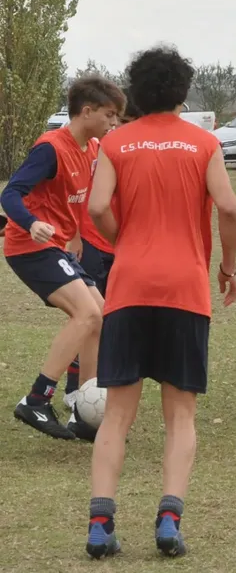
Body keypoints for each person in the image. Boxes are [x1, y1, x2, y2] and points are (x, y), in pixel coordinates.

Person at [85, 45, 236, 559]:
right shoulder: (203, 143)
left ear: (136, 91)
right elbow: (229, 206)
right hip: (185, 288)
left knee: (116, 415)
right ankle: (169, 519)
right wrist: (227, 267)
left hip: (129, 286)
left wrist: (122, 241)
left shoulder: (115, 142)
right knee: (180, 414)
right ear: (181, 91)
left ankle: (100, 524)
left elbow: (98, 206)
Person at [1, 76, 124, 441]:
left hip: (54, 247)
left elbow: (70, 201)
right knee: (86, 314)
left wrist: (73, 237)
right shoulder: (51, 149)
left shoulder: (91, 148)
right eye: (109, 114)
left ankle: (85, 413)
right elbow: (11, 195)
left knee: (100, 316)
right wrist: (32, 222)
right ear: (86, 112)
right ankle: (36, 400)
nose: (113, 122)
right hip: (29, 247)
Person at [62, 91, 143, 415]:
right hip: (94, 245)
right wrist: (75, 235)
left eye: (125, 123)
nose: (118, 127)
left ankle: (98, 384)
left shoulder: (133, 152)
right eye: (118, 121)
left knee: (112, 320)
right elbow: (77, 196)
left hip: (123, 248)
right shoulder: (99, 149)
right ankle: (74, 390)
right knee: (89, 317)